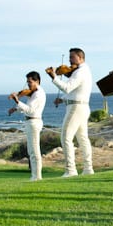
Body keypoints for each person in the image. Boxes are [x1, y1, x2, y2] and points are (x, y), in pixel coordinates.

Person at [45, 48, 94, 177]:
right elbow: (75, 92)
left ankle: (71, 170)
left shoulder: (79, 72)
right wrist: (62, 99)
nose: (69, 60)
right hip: (82, 107)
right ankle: (88, 169)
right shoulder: (83, 70)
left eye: (72, 57)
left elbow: (67, 88)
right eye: (69, 57)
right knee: (83, 139)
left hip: (76, 108)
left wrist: (54, 77)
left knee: (66, 137)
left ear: (80, 57)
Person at [8, 71, 46, 181]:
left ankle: (37, 176)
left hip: (34, 122)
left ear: (37, 81)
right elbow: (28, 106)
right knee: (31, 150)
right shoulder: (34, 93)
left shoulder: (38, 93)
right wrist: (15, 108)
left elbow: (30, 110)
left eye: (30, 82)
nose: (28, 85)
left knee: (34, 150)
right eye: (27, 82)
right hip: (31, 122)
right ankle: (34, 175)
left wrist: (17, 101)